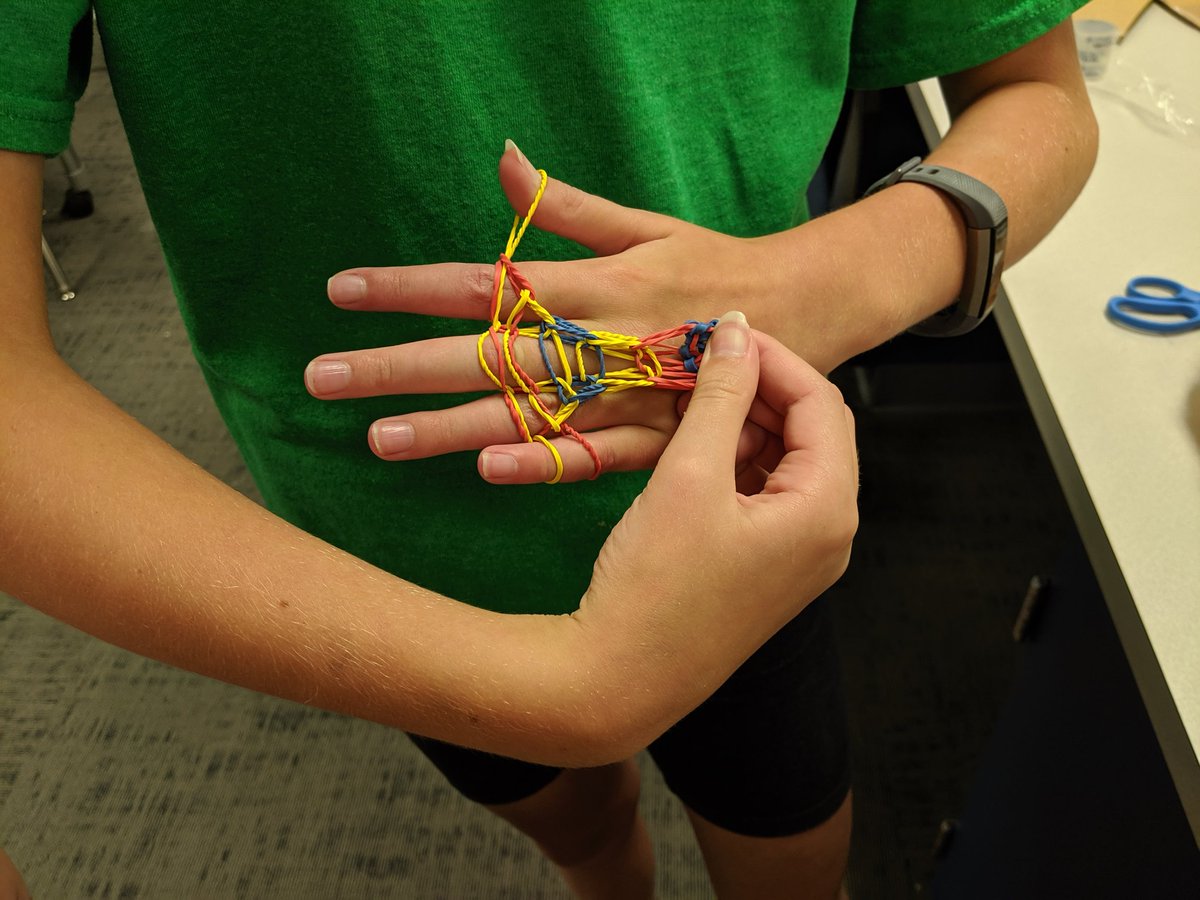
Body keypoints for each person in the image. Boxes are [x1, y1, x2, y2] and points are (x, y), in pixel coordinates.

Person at [0, 3, 1097, 899]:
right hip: (393, 531)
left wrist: (820, 283)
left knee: (792, 846)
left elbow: (1039, 92)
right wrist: (575, 692)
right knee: (575, 822)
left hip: (739, 488)